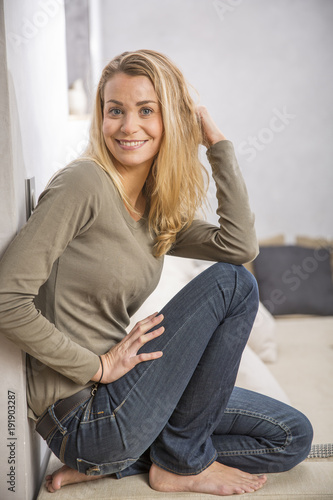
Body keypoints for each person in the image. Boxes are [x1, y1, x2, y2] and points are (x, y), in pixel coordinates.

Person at [0, 49, 312, 496]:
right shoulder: (83, 185)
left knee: (291, 436)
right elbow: (6, 298)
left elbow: (238, 245)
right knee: (234, 285)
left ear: (170, 119)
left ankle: (127, 462)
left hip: (126, 403)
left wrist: (216, 144)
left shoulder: (153, 211)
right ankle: (179, 461)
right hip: (84, 416)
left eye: (147, 110)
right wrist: (98, 365)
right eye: (116, 111)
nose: (129, 126)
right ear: (101, 118)